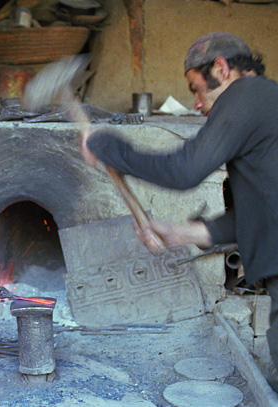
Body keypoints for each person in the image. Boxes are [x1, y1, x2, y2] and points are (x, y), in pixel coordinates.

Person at [82, 32, 278, 387]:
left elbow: (183, 171)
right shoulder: (265, 106)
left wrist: (108, 145)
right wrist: (179, 233)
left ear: (221, 69)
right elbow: (255, 216)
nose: (198, 104)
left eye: (195, 88)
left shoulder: (246, 95)